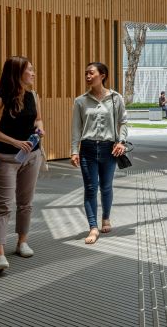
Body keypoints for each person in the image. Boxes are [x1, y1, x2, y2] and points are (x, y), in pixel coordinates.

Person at [0, 55, 44, 272]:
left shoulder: (33, 96)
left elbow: (37, 119)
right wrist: (16, 142)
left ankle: (22, 242)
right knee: (3, 205)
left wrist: (39, 129)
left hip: (32, 156)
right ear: (17, 73)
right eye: (30, 70)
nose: (33, 73)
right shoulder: (0, 100)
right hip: (6, 158)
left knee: (26, 202)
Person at [70, 61, 128, 244]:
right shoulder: (80, 101)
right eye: (86, 73)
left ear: (102, 76)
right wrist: (74, 151)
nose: (87, 76)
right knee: (90, 188)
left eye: (91, 73)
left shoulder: (115, 98)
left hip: (109, 149)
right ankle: (93, 227)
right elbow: (76, 128)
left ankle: (106, 218)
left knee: (106, 186)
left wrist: (121, 141)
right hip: (87, 148)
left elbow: (124, 121)